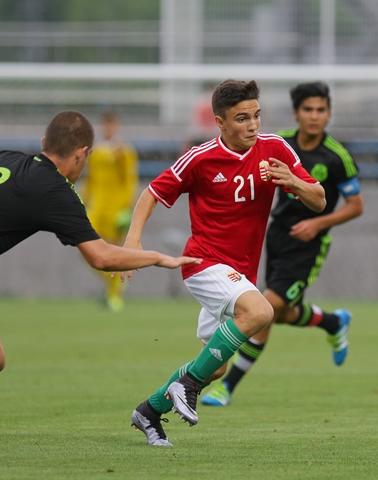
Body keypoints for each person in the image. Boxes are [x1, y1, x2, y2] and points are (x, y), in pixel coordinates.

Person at [0, 110, 200, 453]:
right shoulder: (56, 192)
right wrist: (161, 258)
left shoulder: (10, 158)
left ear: (44, 143)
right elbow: (102, 257)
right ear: (82, 155)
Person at [124, 79, 326, 446]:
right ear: (220, 122)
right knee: (262, 312)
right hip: (204, 263)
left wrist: (293, 180)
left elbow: (320, 200)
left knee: (216, 367)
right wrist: (133, 243)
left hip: (240, 274)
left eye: (257, 116)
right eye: (242, 118)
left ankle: (149, 411)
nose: (252, 125)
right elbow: (152, 193)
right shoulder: (200, 158)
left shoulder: (275, 148)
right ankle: (187, 386)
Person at [202, 81, 364, 407]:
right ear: (296, 113)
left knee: (268, 307)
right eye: (308, 109)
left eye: (320, 110)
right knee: (283, 311)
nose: (314, 116)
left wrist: (317, 223)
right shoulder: (280, 143)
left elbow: (355, 205)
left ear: (328, 114)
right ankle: (332, 322)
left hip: (309, 244)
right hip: (275, 235)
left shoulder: (337, 156)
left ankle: (227, 386)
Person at [81, 111, 139, 312]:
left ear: (117, 126)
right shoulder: (95, 151)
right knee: (85, 247)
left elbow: (130, 180)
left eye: (112, 125)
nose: (109, 129)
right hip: (96, 208)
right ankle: (115, 283)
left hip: (116, 208)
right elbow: (90, 178)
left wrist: (127, 207)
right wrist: (83, 199)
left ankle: (114, 296)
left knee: (114, 251)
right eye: (106, 125)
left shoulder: (124, 151)